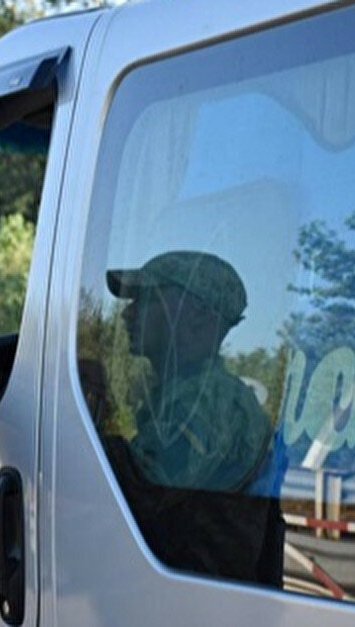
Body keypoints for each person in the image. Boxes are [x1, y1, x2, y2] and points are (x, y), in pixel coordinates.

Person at [103, 250, 285, 586]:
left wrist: (88, 414)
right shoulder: (189, 395)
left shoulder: (209, 402)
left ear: (197, 318)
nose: (127, 315)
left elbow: (138, 493)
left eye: (146, 300)